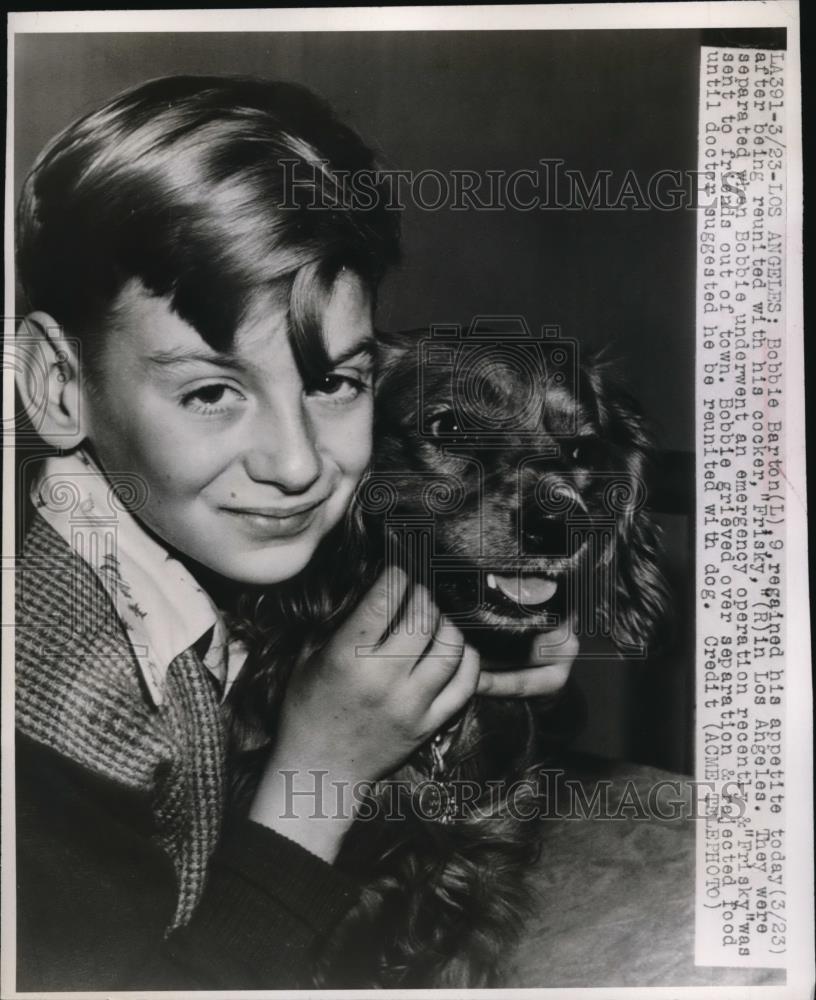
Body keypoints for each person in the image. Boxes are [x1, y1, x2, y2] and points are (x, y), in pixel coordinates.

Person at [13, 75, 577, 990]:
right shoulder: (41, 730)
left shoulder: (170, 542)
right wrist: (320, 773)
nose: (298, 463)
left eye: (333, 382)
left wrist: (474, 638)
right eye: (211, 393)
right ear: (57, 384)